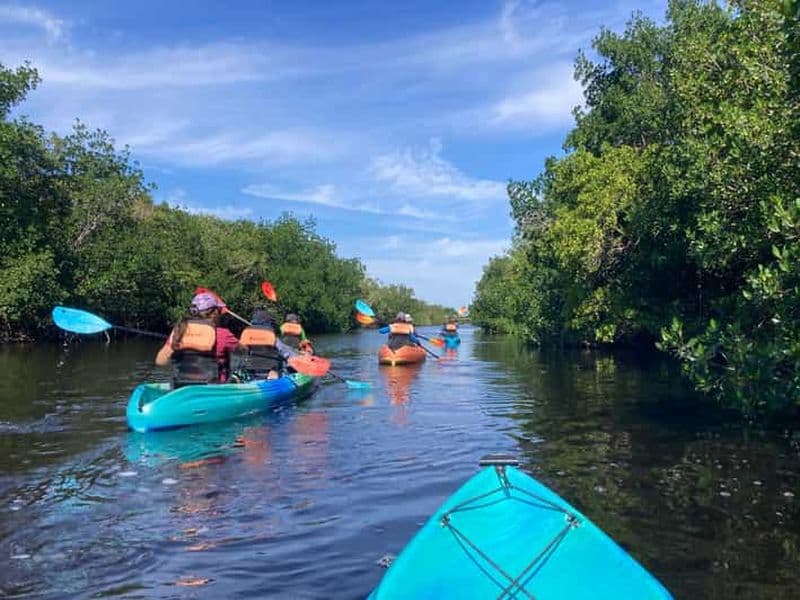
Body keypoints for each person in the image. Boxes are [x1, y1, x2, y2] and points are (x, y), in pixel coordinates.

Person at [155, 292, 240, 387]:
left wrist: (180, 346)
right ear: (214, 313)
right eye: (219, 310)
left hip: (181, 386)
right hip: (214, 390)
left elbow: (160, 361)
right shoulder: (224, 334)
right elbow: (241, 350)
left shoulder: (179, 332)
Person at [230, 309, 297, 380]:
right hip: (270, 370)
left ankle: (240, 377)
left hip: (252, 370)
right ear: (269, 323)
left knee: (245, 362)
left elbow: (239, 352)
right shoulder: (272, 337)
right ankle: (273, 376)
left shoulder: (247, 335)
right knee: (281, 364)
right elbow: (287, 353)